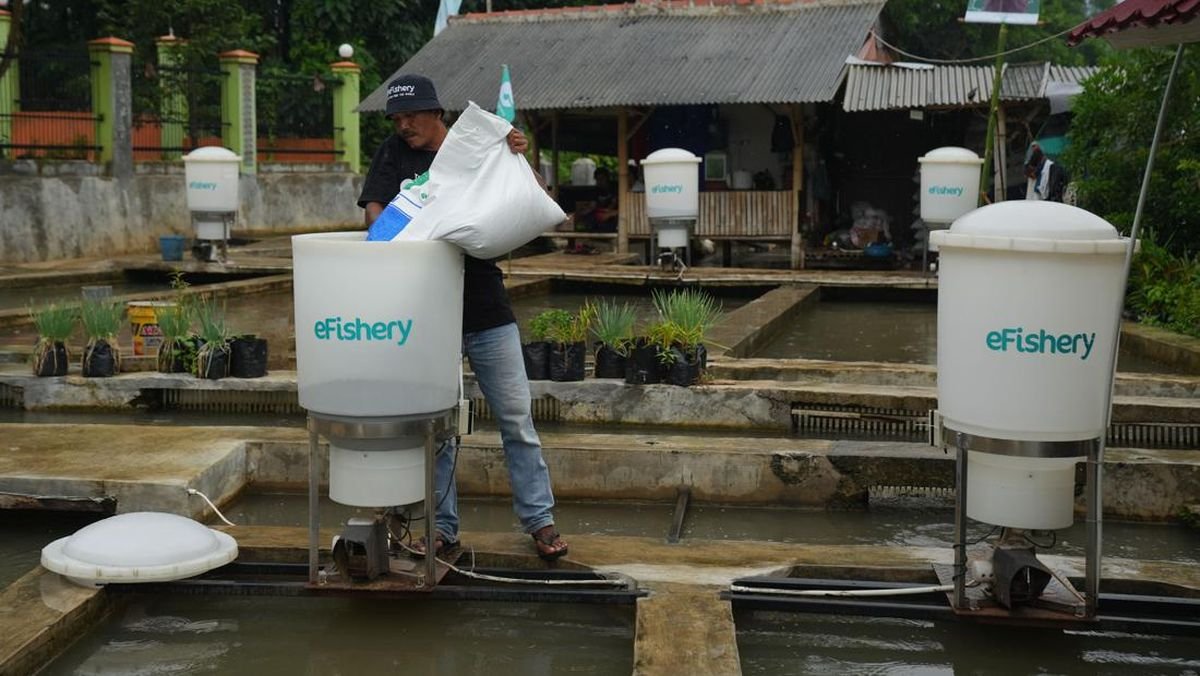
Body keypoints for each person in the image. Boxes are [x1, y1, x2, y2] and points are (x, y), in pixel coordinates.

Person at [357, 74, 568, 561]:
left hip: (487, 309)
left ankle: (540, 522)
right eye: (397, 118)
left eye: (411, 116)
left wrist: (519, 154)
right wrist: (403, 234)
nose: (403, 125)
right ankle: (442, 528)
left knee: (517, 421)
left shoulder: (477, 148)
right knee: (438, 427)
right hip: (428, 314)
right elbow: (374, 211)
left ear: (437, 115)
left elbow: (534, 195)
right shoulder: (394, 154)